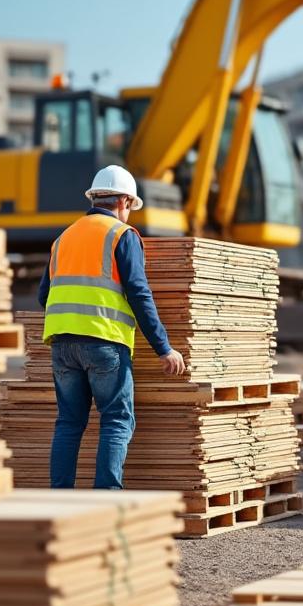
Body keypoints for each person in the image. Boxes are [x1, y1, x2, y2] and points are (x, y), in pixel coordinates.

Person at [38, 165, 185, 489]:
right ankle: (106, 499)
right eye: (131, 207)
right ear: (124, 201)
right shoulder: (121, 235)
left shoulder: (63, 238)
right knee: (117, 419)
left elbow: (43, 295)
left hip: (61, 344)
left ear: (95, 198)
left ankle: (59, 497)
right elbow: (138, 293)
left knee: (69, 423)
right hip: (105, 342)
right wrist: (164, 347)